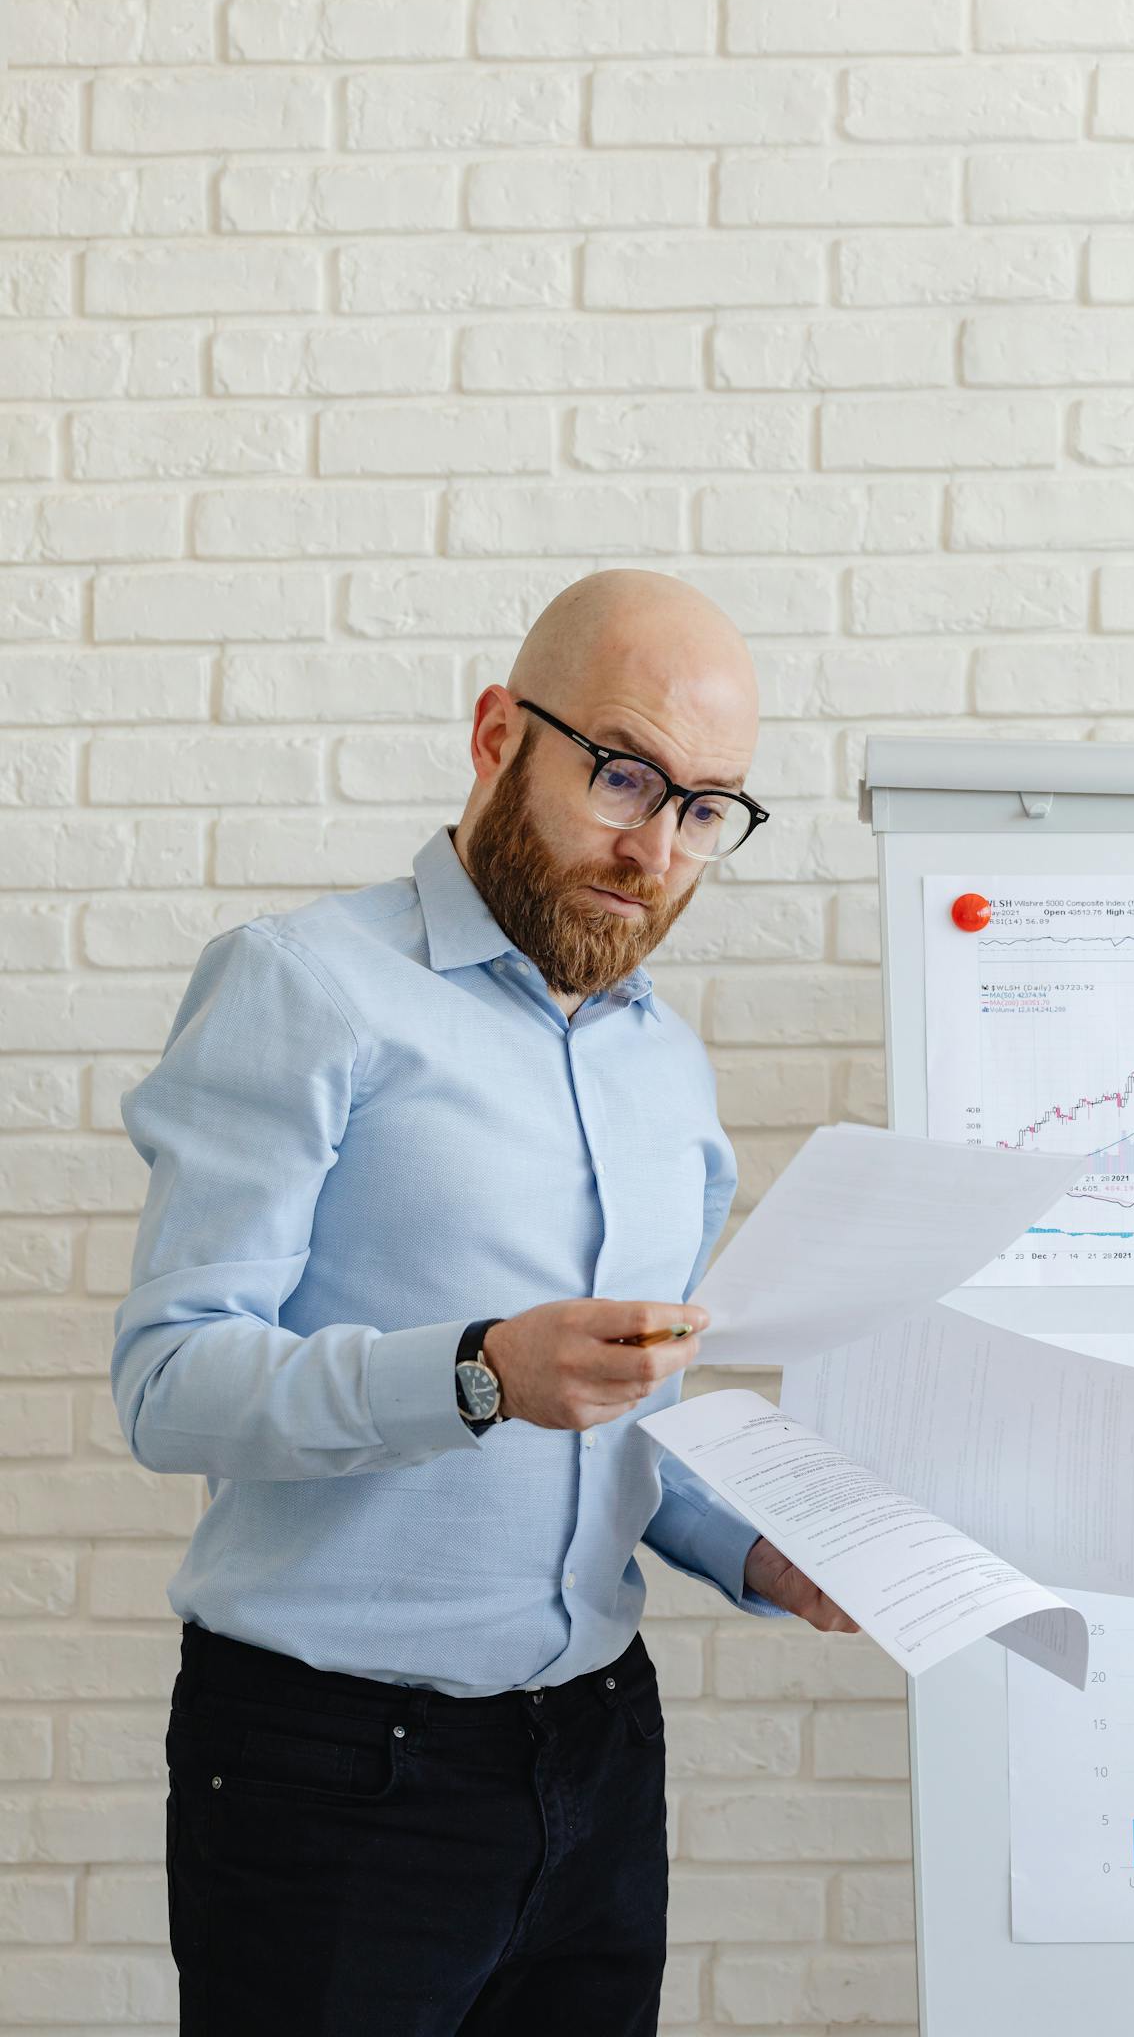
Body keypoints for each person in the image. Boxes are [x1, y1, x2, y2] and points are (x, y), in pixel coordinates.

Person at [111, 567, 858, 2037]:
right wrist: (476, 1374)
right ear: (497, 733)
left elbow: (629, 1408)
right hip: (333, 1775)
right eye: (624, 774)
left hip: (596, 1750)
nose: (654, 848)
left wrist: (755, 1550)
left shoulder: (670, 1071)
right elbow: (168, 1382)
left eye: (706, 809)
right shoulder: (302, 988)